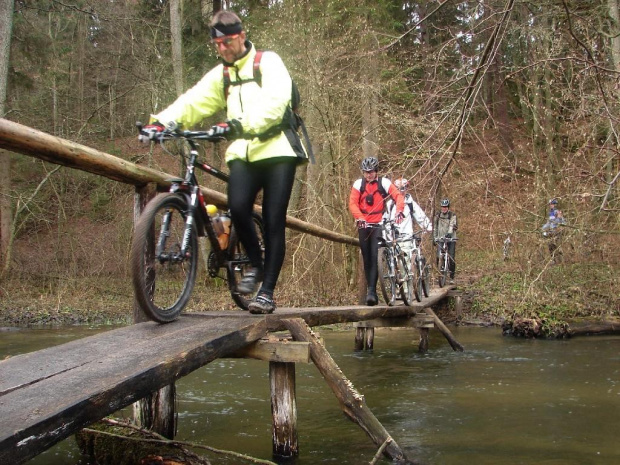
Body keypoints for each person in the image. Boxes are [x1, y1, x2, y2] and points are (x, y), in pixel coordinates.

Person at [142, 11, 309, 314]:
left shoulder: (268, 62)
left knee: (273, 219)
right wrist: (160, 123)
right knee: (239, 206)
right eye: (217, 44)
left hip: (277, 149)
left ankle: (267, 292)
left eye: (228, 41)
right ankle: (255, 267)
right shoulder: (223, 75)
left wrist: (237, 125)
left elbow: (277, 103)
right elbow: (193, 101)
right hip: (244, 152)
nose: (223, 48)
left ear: (242, 36)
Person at [348, 157, 405, 306]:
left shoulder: (384, 183)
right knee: (366, 257)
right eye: (366, 172)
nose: (369, 175)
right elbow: (352, 203)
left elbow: (398, 196)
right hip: (363, 224)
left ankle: (372, 292)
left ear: (376, 171)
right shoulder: (358, 184)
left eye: (371, 172)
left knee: (374, 255)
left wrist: (399, 210)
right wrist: (360, 218)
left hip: (378, 223)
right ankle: (370, 290)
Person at [384, 178, 432, 267]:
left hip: (406, 236)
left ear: (406, 189)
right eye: (398, 189)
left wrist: (428, 227)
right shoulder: (390, 204)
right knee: (392, 264)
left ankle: (407, 280)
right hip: (393, 238)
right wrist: (386, 235)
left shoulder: (410, 203)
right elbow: (384, 221)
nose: (401, 191)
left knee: (405, 262)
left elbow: (420, 216)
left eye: (403, 188)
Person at [433, 198, 458, 284]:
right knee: (438, 256)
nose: (444, 208)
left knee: (451, 257)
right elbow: (435, 227)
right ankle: (440, 275)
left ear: (448, 207)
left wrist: (449, 233)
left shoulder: (452, 215)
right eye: (443, 207)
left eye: (446, 207)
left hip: (451, 239)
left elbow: (452, 225)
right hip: (441, 238)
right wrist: (434, 237)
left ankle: (451, 277)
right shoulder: (438, 215)